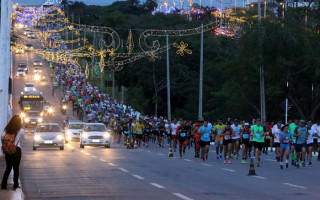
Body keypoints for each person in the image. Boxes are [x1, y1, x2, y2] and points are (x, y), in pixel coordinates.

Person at [1, 115, 26, 190]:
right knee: (16, 168)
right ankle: (15, 185)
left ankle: (3, 185)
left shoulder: (7, 129)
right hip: (17, 150)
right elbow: (25, 138)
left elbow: (2, 137)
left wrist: (6, 144)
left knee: (8, 168)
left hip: (8, 150)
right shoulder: (20, 130)